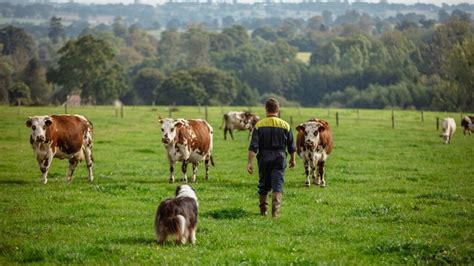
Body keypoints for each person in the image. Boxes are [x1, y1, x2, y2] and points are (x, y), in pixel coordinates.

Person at [247, 98, 296, 218]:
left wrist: (249, 162)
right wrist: (293, 159)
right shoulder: (285, 125)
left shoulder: (259, 125)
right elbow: (292, 146)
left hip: (264, 157)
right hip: (280, 157)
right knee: (277, 183)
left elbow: (253, 146)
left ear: (266, 109)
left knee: (264, 183)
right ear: (278, 109)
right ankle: (275, 213)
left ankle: (263, 210)